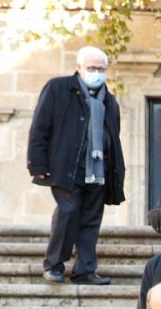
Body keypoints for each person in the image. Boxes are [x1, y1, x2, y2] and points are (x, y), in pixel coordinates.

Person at [28, 46, 125, 285]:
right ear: (79, 67)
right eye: (92, 68)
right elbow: (39, 128)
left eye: (101, 69)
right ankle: (54, 265)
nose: (97, 73)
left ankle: (84, 270)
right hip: (66, 168)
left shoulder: (109, 100)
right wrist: (37, 164)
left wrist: (116, 174)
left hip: (98, 170)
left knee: (91, 219)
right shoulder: (58, 89)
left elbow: (113, 137)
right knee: (68, 212)